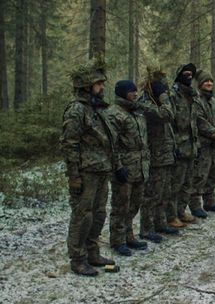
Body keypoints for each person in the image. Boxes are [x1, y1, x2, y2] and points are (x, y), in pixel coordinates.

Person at [60, 58, 115, 276]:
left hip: (101, 169)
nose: (102, 87)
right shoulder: (76, 110)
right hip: (85, 172)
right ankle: (78, 259)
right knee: (83, 216)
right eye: (98, 84)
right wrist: (74, 176)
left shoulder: (97, 109)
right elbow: (69, 144)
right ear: (86, 86)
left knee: (99, 214)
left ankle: (93, 252)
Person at [107, 80, 149, 256]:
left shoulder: (137, 112)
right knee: (121, 205)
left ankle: (129, 235)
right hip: (124, 166)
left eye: (135, 91)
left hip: (139, 166)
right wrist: (118, 167)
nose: (135, 94)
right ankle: (117, 240)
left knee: (135, 203)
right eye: (131, 91)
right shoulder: (114, 114)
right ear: (122, 93)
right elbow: (111, 144)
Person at [139, 67, 178, 242]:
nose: (164, 90)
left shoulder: (157, 103)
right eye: (160, 87)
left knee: (164, 192)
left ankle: (160, 223)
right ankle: (146, 228)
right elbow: (167, 114)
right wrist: (163, 96)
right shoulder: (145, 104)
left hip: (166, 155)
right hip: (154, 157)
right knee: (152, 194)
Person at [170, 63, 205, 220]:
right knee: (175, 184)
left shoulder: (193, 95)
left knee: (187, 183)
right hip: (178, 146)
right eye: (186, 73)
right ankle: (170, 215)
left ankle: (181, 211)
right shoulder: (173, 95)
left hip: (192, 146)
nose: (189, 76)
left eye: (191, 74)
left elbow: (196, 121)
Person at [190, 70, 215, 213]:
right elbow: (200, 122)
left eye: (211, 81)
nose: (209, 83)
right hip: (203, 145)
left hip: (214, 145)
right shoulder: (196, 101)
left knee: (213, 174)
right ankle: (195, 205)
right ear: (200, 84)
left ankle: (210, 201)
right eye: (206, 81)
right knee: (199, 176)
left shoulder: (213, 100)